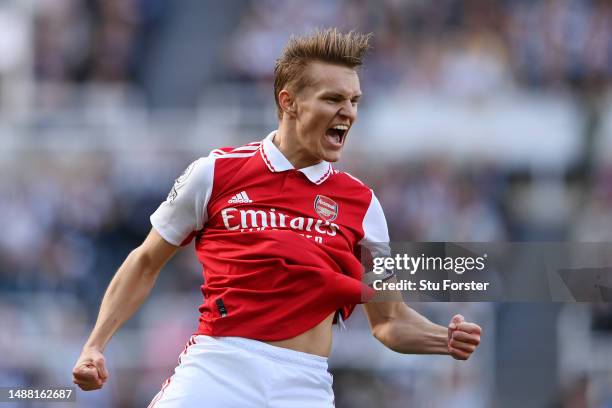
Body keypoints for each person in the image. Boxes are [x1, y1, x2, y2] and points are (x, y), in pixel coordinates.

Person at [72, 28, 482, 407]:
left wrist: (442, 338)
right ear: (288, 102)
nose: (348, 112)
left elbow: (389, 322)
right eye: (332, 99)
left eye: (354, 100)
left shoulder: (362, 204)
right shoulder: (216, 173)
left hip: (303, 386)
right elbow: (144, 262)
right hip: (219, 369)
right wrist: (95, 345)